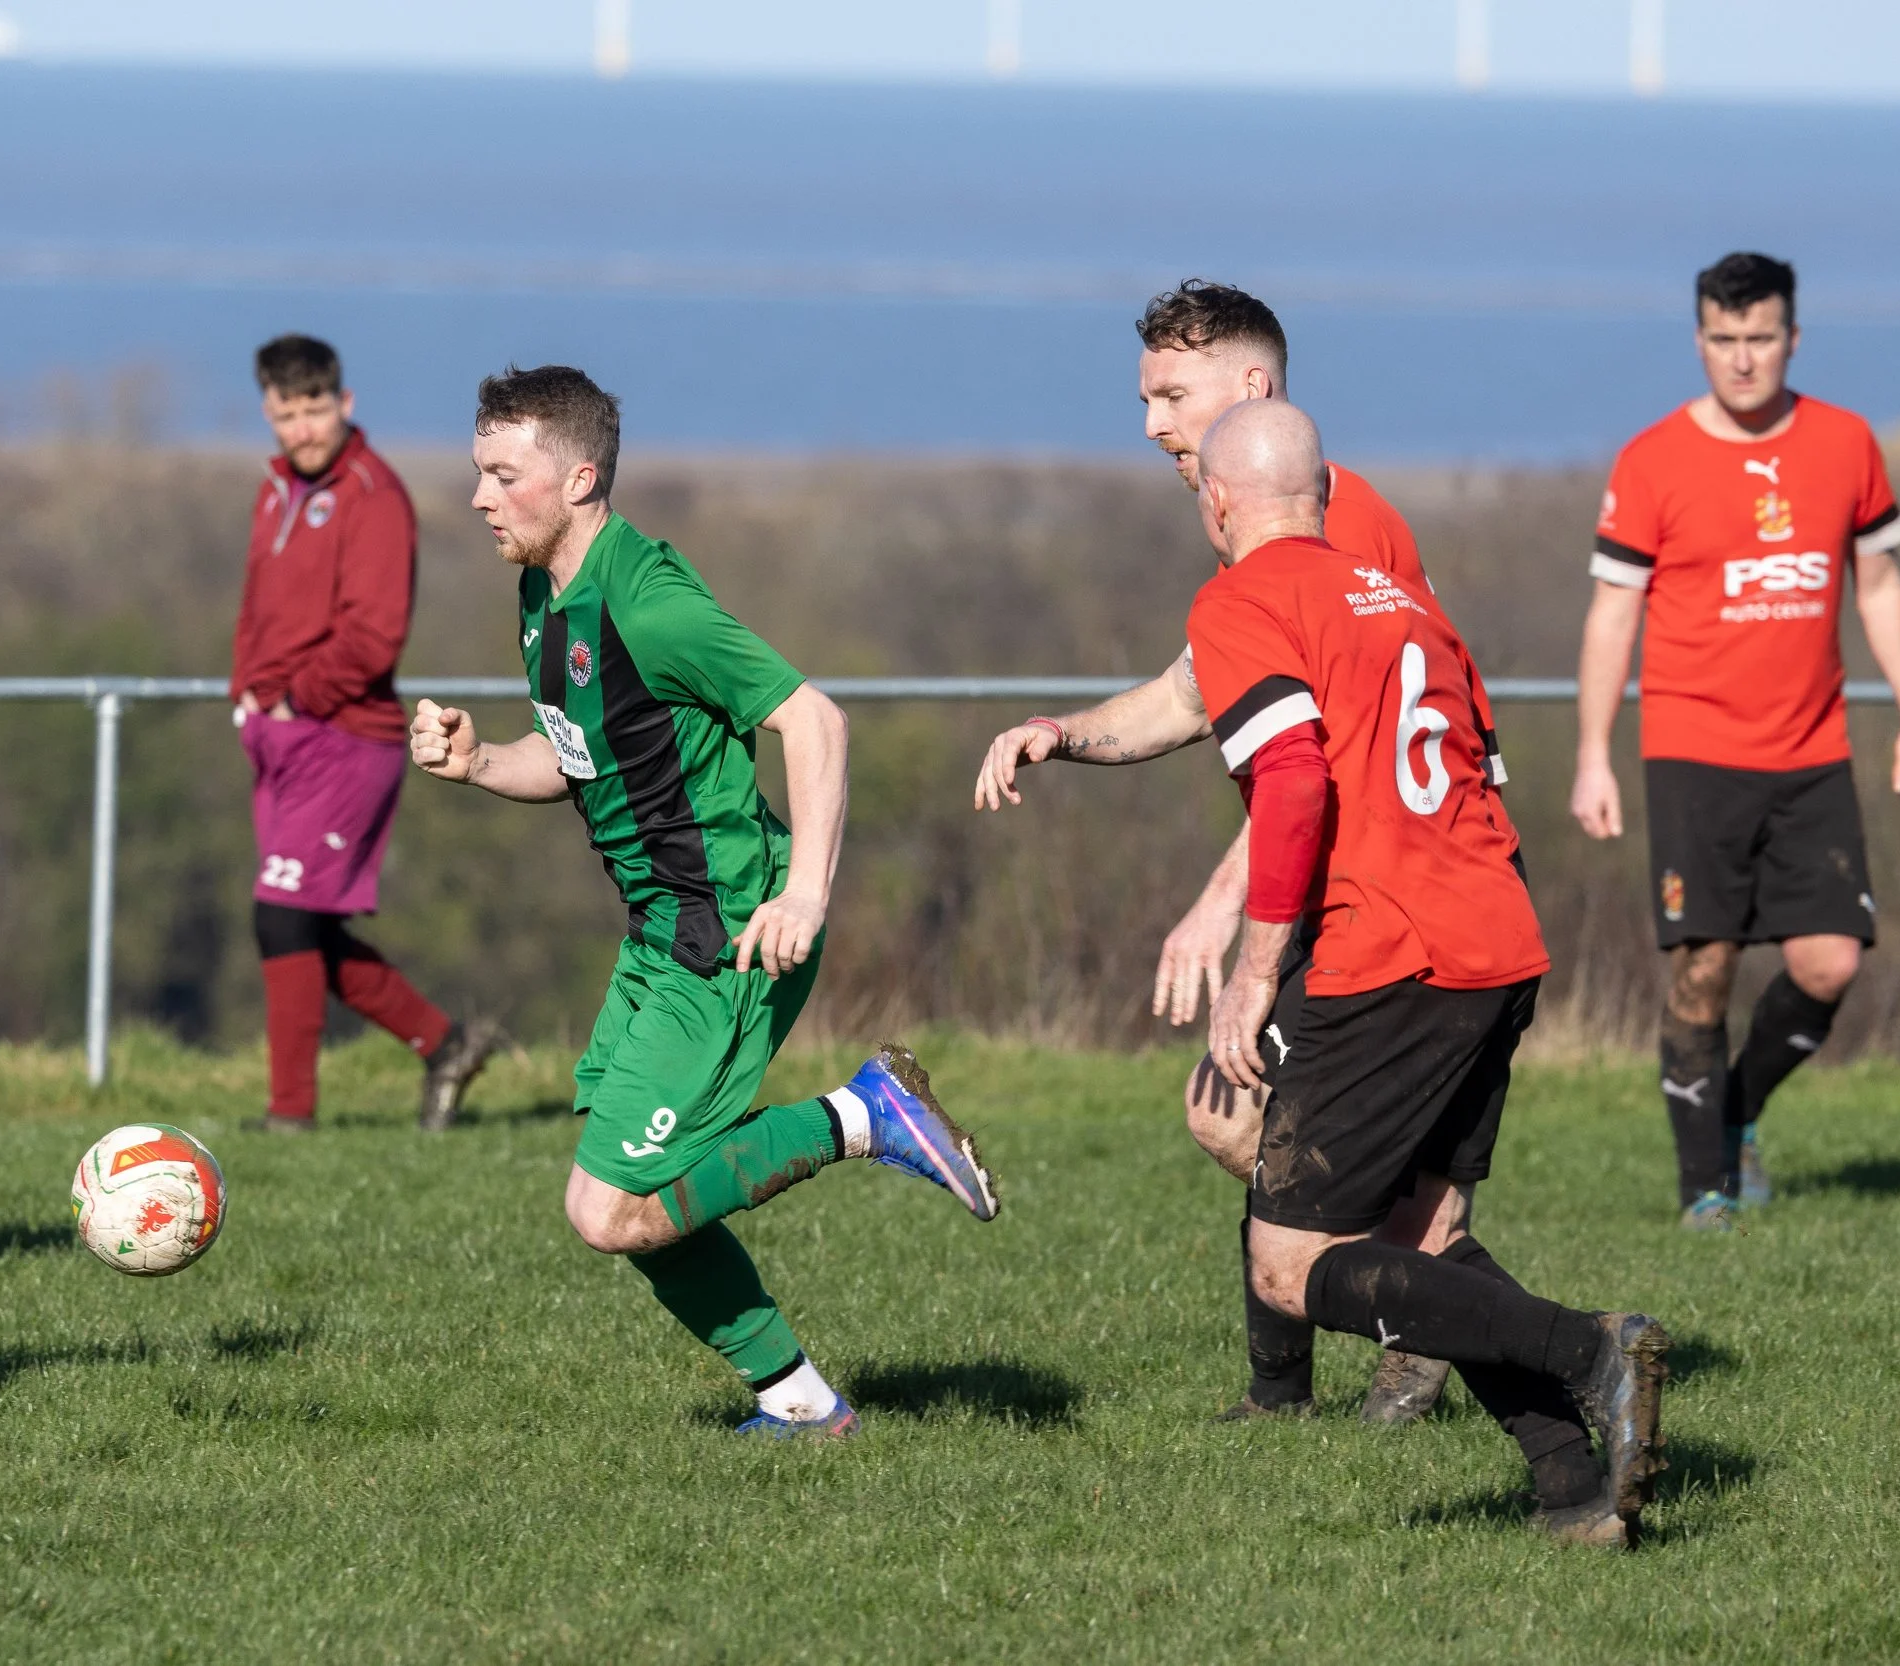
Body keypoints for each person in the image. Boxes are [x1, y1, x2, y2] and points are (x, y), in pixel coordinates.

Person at [410, 365, 998, 1438]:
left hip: (727, 937)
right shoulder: (545, 593)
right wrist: (481, 762)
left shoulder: (647, 600)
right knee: (641, 1198)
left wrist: (805, 895)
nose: (480, 497)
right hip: (658, 935)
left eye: (504, 474)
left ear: (580, 476)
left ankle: (862, 1115)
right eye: (478, 473)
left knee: (607, 1210)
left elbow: (812, 719)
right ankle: (802, 1404)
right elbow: (583, 750)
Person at [970, 281, 1464, 1425]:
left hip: (1388, 896)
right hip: (1340, 887)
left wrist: (1217, 909)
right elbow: (1192, 696)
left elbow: (1323, 759)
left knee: (1277, 1126)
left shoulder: (1340, 525)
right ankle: (1338, 1362)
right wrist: (1064, 734)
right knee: (1243, 1117)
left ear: (1249, 387)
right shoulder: (1267, 525)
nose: (1149, 420)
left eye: (1168, 393)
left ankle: (1429, 1334)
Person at [1183, 398, 1666, 1546]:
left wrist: (1253, 977)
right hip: (1496, 939)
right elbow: (1473, 775)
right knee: (1424, 1232)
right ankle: (1568, 1485)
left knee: (1297, 1264)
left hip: (1391, 952)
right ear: (1322, 490)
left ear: (1217, 502)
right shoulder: (1409, 604)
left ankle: (1591, 1347)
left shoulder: (1240, 598)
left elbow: (1294, 786)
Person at [1571, 252, 1900, 1228]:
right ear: (1699, 340)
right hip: (1692, 753)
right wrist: (1592, 753)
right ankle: (1705, 1193)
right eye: (1722, 340)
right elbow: (1612, 614)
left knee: (1829, 963)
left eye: (1759, 338)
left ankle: (1735, 1108)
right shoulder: (1651, 459)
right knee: (1704, 963)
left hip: (1812, 754)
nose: (1741, 360)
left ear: (1792, 338)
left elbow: (1880, 584)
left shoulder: (1846, 442)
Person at [231, 334, 498, 1133]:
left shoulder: (375, 496)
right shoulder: (275, 489)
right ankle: (446, 1045)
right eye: (287, 414)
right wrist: (247, 697)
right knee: (300, 919)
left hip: (346, 737)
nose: (303, 429)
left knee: (282, 914)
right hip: (279, 735)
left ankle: (291, 1116)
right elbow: (260, 611)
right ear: (269, 414)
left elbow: (374, 637)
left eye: (316, 410)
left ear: (344, 405)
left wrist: (293, 700)